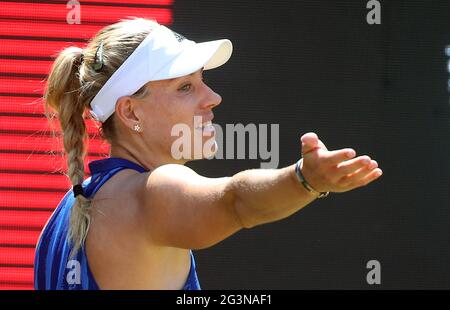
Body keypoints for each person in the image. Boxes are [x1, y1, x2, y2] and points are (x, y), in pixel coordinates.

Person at [34, 17, 383, 290]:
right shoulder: (153, 191)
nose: (212, 97)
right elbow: (235, 201)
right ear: (131, 113)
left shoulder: (64, 216)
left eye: (201, 80)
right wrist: (303, 180)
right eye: (185, 87)